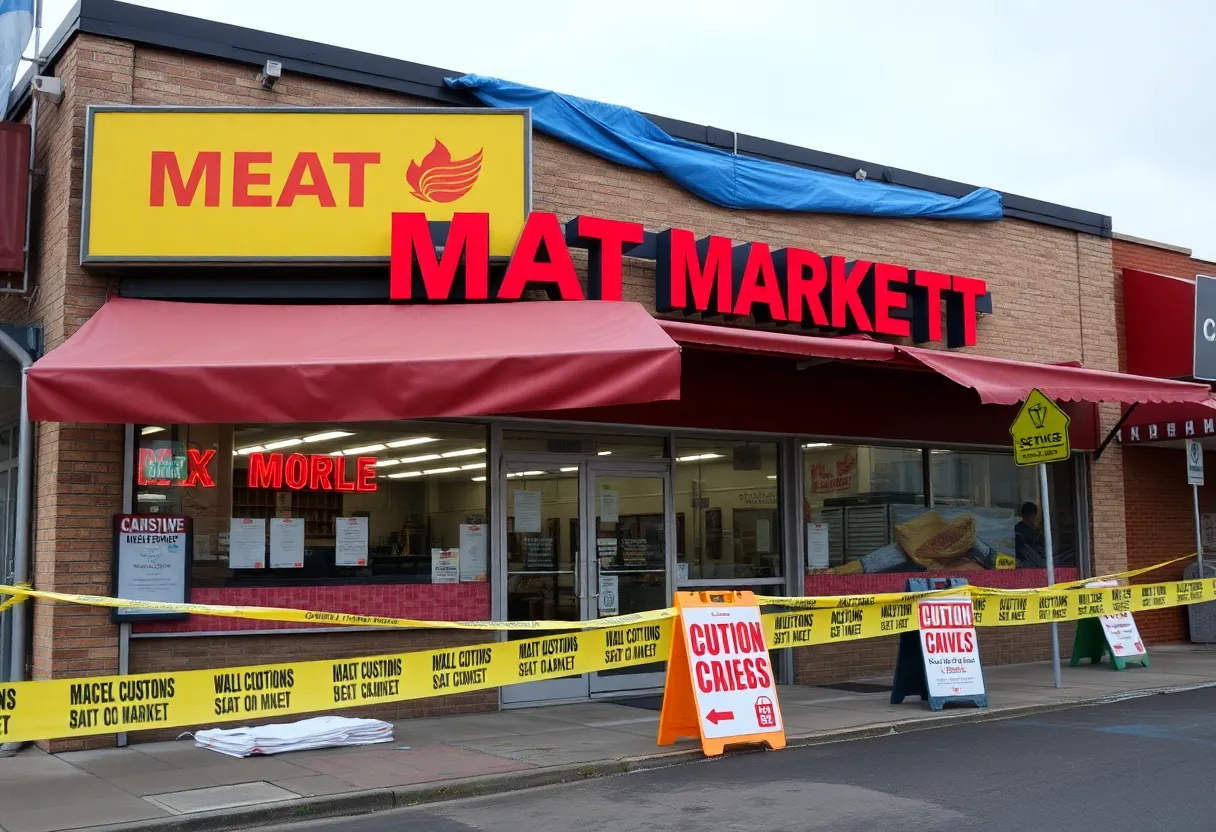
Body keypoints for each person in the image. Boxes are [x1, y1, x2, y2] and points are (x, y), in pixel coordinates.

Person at [1014, 501, 1047, 567]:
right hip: (1030, 566)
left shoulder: (1035, 531)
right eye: (1034, 516)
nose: (1035, 519)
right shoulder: (1020, 533)